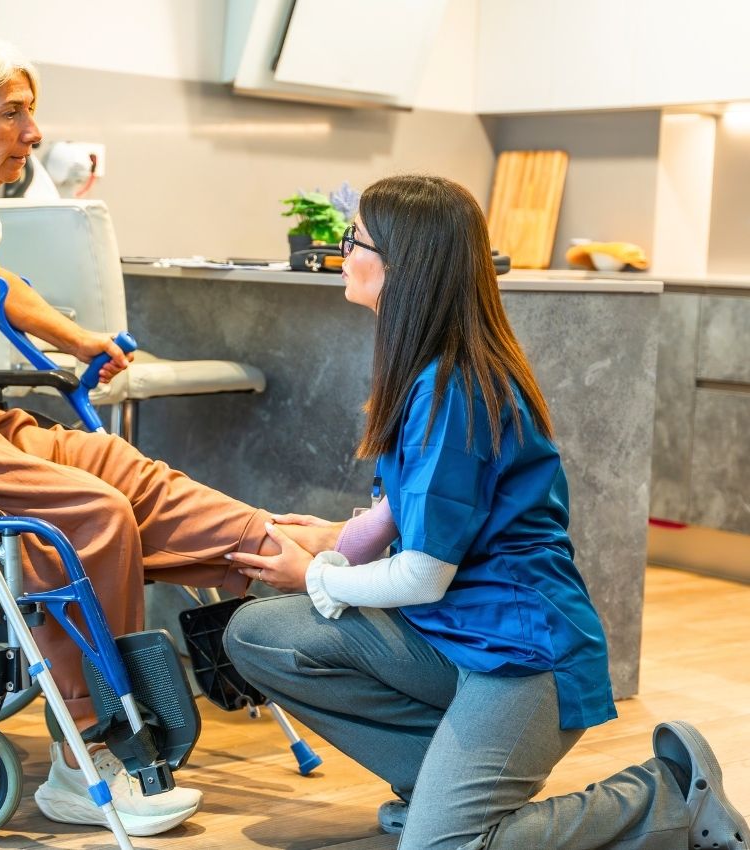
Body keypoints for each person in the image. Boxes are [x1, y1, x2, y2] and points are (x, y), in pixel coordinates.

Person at [0, 19, 327, 839]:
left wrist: (78, 339)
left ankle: (295, 551)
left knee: (124, 469)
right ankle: (90, 748)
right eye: (12, 114)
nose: (33, 134)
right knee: (90, 514)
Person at [224, 174, 749, 850]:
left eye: (354, 241)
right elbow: (402, 512)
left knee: (443, 847)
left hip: (522, 655)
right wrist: (336, 538)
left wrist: (317, 578)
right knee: (261, 634)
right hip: (454, 635)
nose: (342, 253)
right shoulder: (428, 375)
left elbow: (422, 574)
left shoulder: (455, 390)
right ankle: (440, 791)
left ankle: (665, 793)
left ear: (403, 266)